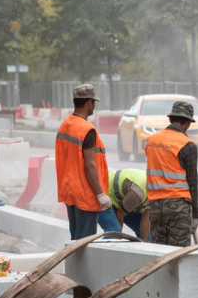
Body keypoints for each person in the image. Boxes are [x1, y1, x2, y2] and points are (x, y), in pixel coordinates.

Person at [55, 84, 111, 240]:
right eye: (94, 102)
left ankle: (73, 265)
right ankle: (79, 266)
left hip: (70, 190)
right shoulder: (87, 129)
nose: (94, 106)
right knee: (84, 243)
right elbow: (90, 165)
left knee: (75, 238)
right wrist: (100, 194)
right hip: (85, 194)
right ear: (89, 103)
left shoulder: (65, 125)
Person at [144, 100, 198, 246]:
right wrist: (196, 215)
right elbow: (193, 183)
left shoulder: (151, 141)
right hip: (178, 206)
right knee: (178, 253)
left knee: (159, 252)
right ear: (188, 122)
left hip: (155, 205)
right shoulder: (188, 145)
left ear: (170, 119)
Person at [98, 167, 150, 239]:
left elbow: (146, 218)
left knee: (147, 236)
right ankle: (111, 248)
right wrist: (119, 239)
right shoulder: (139, 192)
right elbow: (120, 213)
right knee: (114, 232)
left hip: (123, 201)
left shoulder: (158, 195)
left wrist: (145, 242)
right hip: (104, 197)